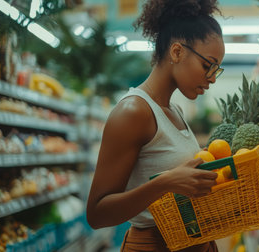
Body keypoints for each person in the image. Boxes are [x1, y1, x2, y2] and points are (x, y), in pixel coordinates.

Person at [86, 0, 225, 251]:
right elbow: (97, 214)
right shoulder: (133, 112)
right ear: (177, 52)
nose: (212, 78)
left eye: (217, 69)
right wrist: (165, 183)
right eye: (208, 65)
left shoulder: (175, 111)